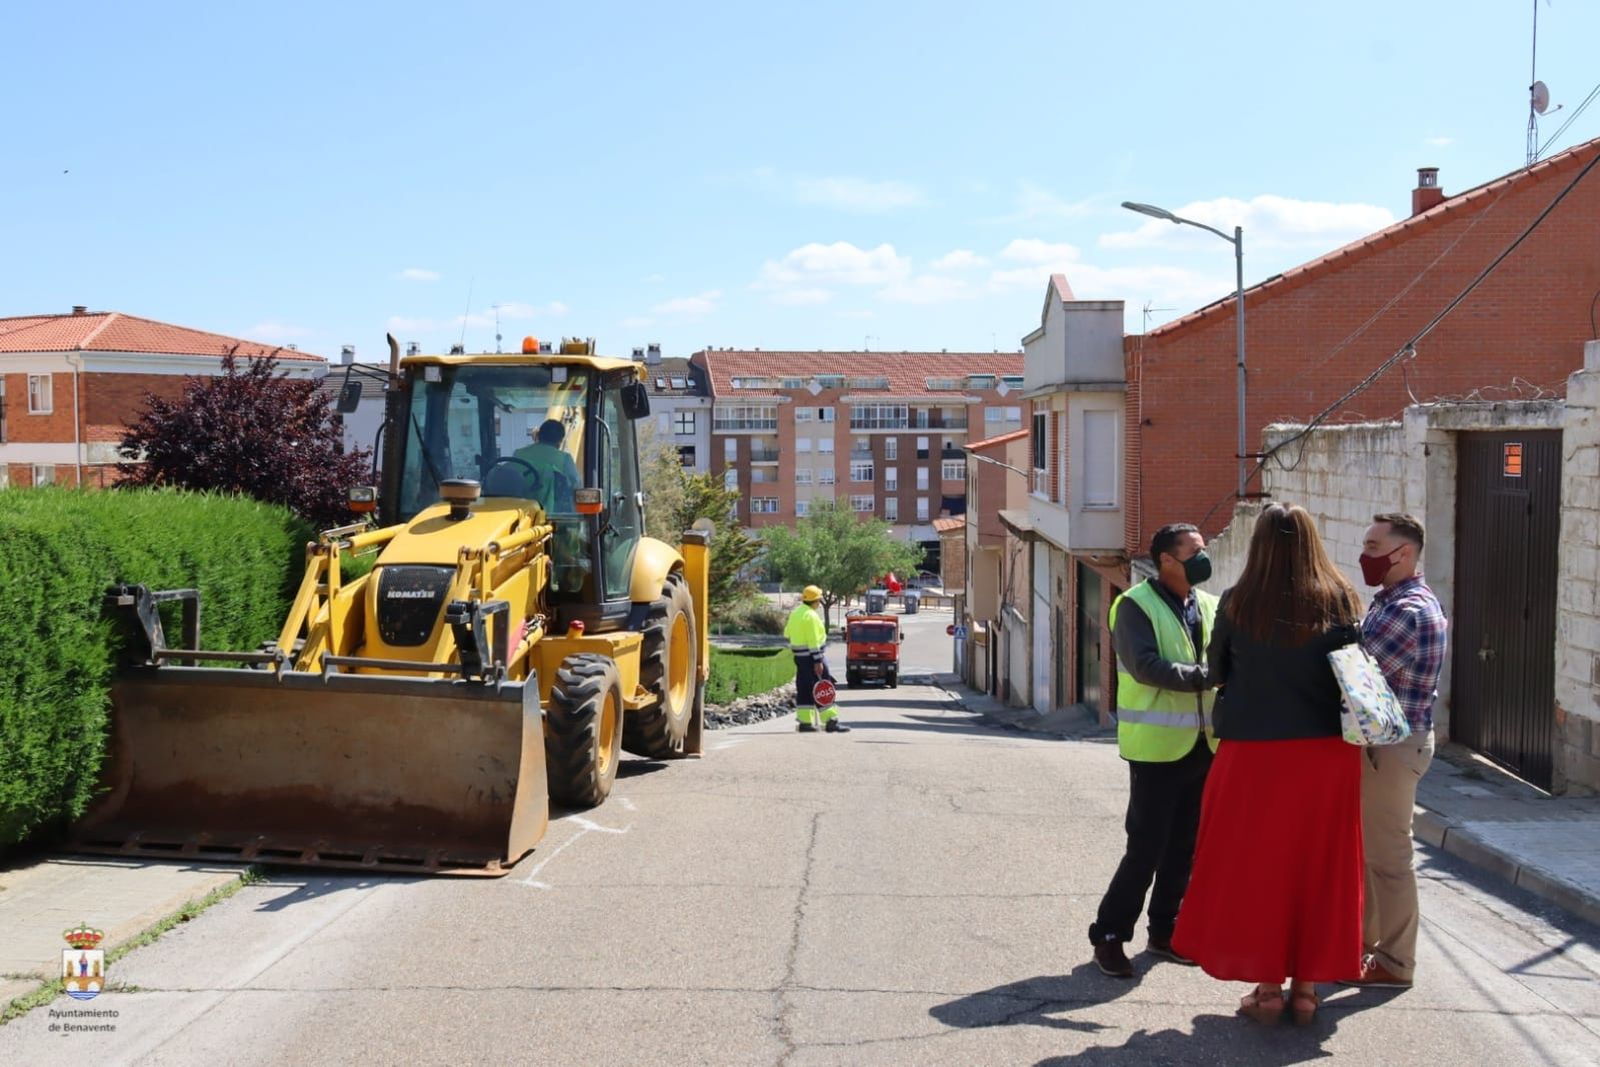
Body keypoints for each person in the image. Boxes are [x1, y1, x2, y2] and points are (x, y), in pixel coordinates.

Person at [1172, 504, 1366, 1026]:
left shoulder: (1239, 602)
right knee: (1320, 868)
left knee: (1258, 868)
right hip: (1327, 755)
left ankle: (1267, 988)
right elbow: (1353, 676)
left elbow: (1215, 672)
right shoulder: (1342, 598)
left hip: (1253, 755)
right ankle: (1307, 991)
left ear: (1258, 545)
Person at [1090, 522, 1217, 979]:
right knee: (1145, 848)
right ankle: (1109, 934)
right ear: (1167, 560)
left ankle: (1165, 931)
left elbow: (1227, 656)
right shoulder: (1133, 606)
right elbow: (1146, 667)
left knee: (1185, 847)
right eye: (1195, 550)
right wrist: (1208, 676)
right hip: (1156, 749)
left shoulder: (1208, 604)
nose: (1204, 557)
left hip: (1204, 745)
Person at [1345, 513, 1447, 990]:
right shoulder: (1390, 600)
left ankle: (1395, 961)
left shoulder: (1409, 610)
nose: (1364, 555)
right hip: (1383, 746)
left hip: (1392, 747)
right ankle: (1364, 949)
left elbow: (1354, 672)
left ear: (1402, 553)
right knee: (1370, 855)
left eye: (1372, 545)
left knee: (1388, 857)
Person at [785, 585, 849, 734]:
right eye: (819, 599)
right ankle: (830, 721)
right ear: (815, 600)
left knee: (805, 688)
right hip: (813, 657)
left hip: (800, 658)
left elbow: (787, 633)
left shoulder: (795, 613)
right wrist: (818, 660)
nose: (820, 602)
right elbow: (813, 640)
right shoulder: (811, 615)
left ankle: (805, 723)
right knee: (824, 688)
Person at [513, 419, 581, 512]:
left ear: (539, 435)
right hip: (550, 513)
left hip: (518, 509)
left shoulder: (518, 453)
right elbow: (576, 487)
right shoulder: (564, 459)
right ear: (560, 440)